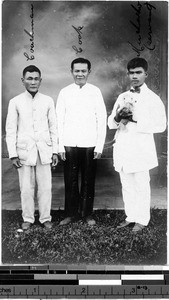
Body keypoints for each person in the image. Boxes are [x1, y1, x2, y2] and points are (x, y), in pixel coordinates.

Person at [108, 57, 166, 232]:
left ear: (145, 74)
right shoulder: (123, 96)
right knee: (127, 184)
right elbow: (111, 122)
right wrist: (118, 117)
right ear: (128, 74)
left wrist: (135, 119)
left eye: (138, 72)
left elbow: (161, 125)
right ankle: (130, 216)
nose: (135, 76)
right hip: (124, 146)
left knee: (141, 184)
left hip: (140, 148)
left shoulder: (153, 99)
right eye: (131, 73)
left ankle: (142, 219)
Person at [6, 65, 58, 230]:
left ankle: (45, 218)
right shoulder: (15, 102)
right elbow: (11, 130)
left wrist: (55, 151)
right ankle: (27, 218)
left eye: (36, 78)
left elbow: (53, 128)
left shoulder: (48, 100)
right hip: (24, 151)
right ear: (23, 80)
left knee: (45, 187)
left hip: (44, 151)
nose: (33, 81)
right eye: (29, 78)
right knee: (26, 188)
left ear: (40, 80)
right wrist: (13, 154)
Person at [56, 57, 107, 226]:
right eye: (76, 71)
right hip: (69, 143)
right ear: (71, 72)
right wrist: (60, 145)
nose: (80, 74)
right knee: (70, 180)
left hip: (90, 143)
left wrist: (99, 145)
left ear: (89, 72)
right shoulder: (64, 92)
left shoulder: (95, 91)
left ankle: (87, 214)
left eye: (83, 71)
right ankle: (71, 213)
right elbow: (58, 120)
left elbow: (101, 119)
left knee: (88, 179)